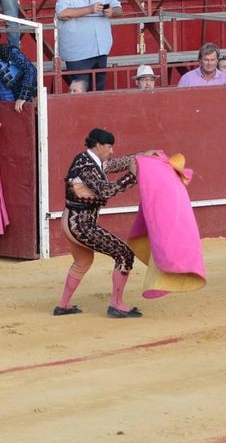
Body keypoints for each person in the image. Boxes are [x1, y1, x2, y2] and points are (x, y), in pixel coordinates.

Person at [55, 128, 150, 318]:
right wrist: (131, 177)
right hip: (81, 225)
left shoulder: (88, 160)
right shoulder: (87, 166)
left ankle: (63, 305)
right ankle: (116, 304)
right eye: (109, 146)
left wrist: (141, 157)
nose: (111, 150)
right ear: (98, 146)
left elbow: (113, 164)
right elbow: (105, 191)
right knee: (124, 253)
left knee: (82, 262)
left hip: (73, 221)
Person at [55, 0, 122, 91]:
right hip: (78, 53)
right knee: (79, 92)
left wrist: (111, 12)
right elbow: (62, 13)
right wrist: (89, 9)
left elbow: (119, 8)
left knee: (98, 90)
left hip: (100, 49)